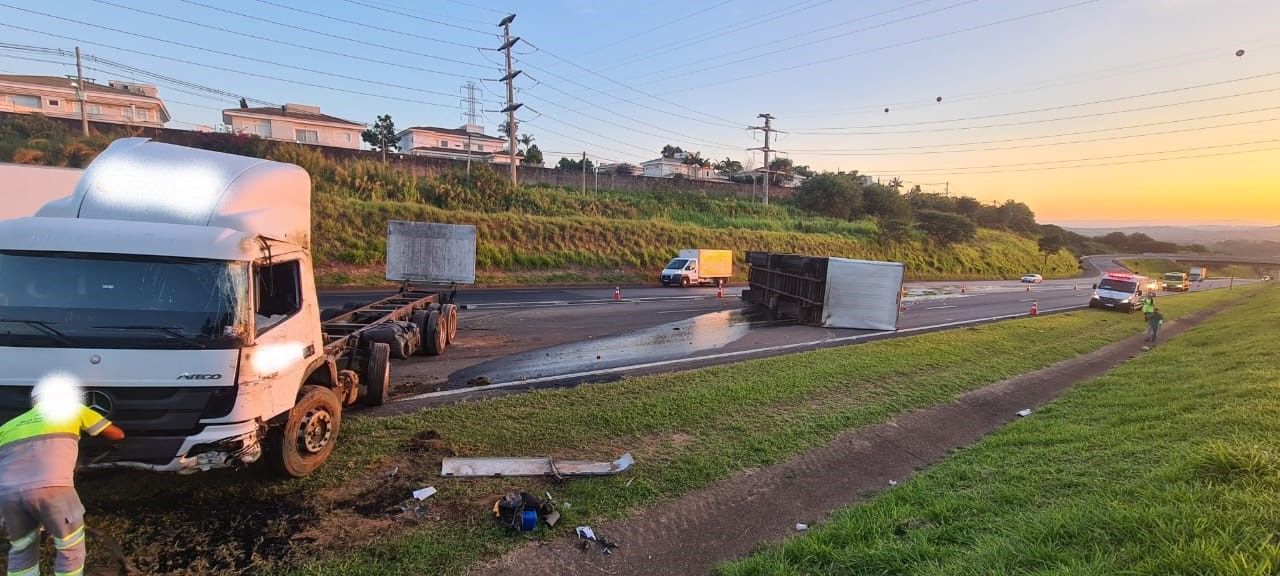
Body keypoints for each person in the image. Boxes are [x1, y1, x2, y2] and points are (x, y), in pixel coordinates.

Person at [0, 375, 125, 576]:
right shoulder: (72, 410)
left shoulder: (7, 427)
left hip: (9, 497)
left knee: (21, 551)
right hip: (55, 491)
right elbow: (117, 434)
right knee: (70, 549)